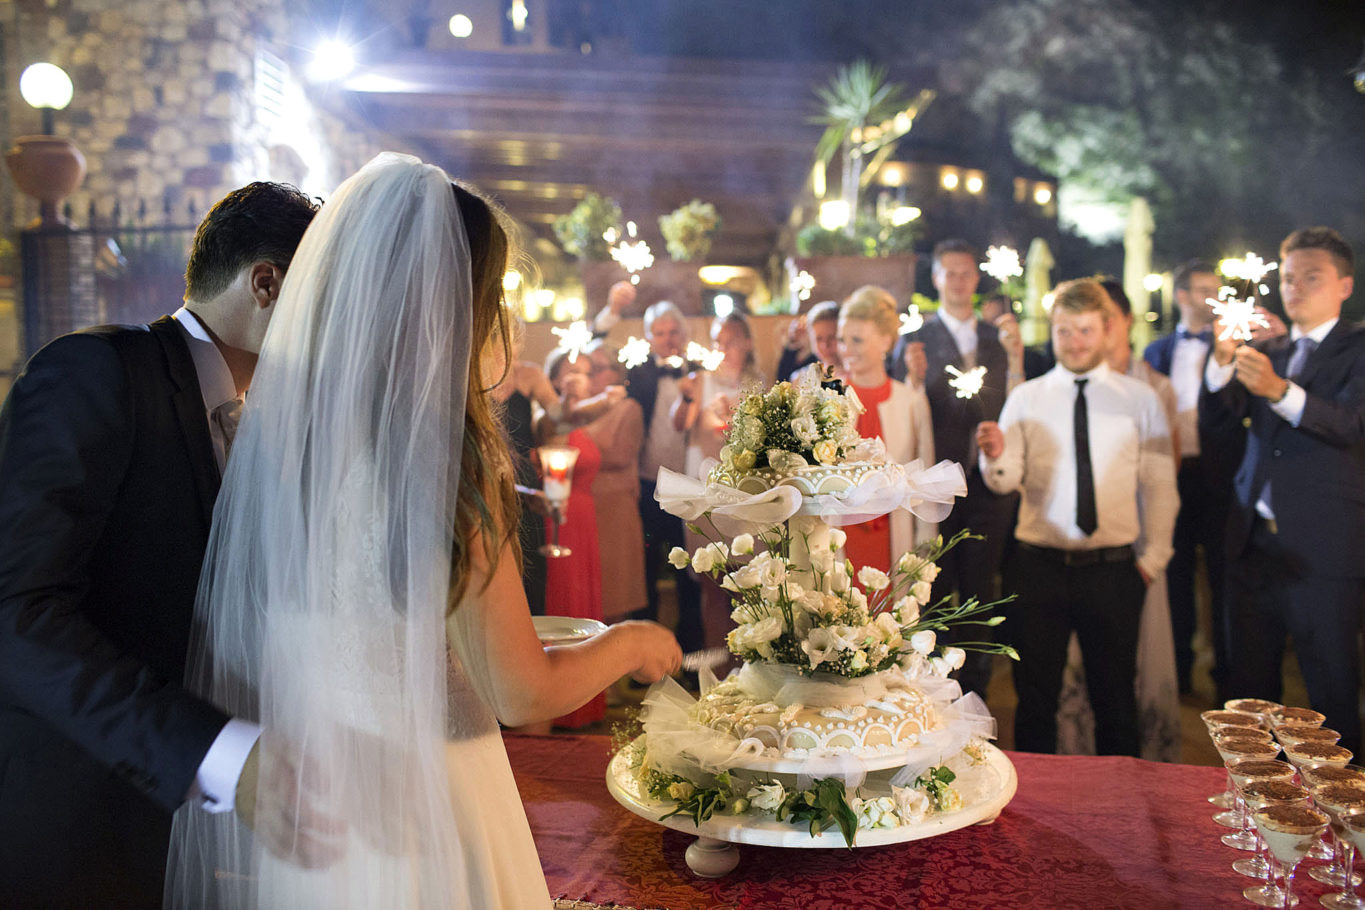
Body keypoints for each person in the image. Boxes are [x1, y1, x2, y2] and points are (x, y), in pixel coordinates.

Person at [163, 155, 681, 907]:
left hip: (316, 803)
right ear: (457, 308)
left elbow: (399, 634)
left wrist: (570, 641)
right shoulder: (445, 458)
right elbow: (519, 692)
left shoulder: (274, 436)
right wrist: (629, 642)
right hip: (430, 799)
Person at [0, 182, 318, 907]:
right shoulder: (99, 372)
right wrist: (218, 755)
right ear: (265, 284)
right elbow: (16, 612)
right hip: (73, 827)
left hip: (193, 828)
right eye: (329, 293)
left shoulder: (262, 420)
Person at [977, 278, 1178, 756]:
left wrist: (1152, 562)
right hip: (1037, 566)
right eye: (1064, 331)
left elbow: (1161, 486)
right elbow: (1005, 480)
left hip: (1113, 571)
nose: (1074, 342)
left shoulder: (1140, 399)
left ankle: (1122, 815)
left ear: (1107, 330)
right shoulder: (1027, 396)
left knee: (1115, 703)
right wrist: (994, 457)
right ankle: (1034, 813)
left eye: (1084, 330)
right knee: (1034, 701)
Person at [1200, 226, 1365, 753]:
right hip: (1251, 542)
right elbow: (1218, 430)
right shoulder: (1270, 346)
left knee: (1331, 689)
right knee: (1248, 697)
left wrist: (1278, 390)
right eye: (1288, 278)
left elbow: (1351, 426)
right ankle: (1257, 814)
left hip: (1323, 546)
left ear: (1344, 284)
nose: (1294, 288)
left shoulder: (1356, 349)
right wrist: (1223, 358)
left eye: (1310, 277)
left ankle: (1343, 823)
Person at [892, 240, 1026, 698]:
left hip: (988, 483)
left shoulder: (998, 337)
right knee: (933, 587)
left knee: (980, 591)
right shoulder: (917, 340)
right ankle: (933, 691)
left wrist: (1018, 355)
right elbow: (905, 408)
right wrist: (911, 377)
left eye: (966, 273)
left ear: (977, 278)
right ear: (936, 279)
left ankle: (976, 695)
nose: (958, 281)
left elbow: (1017, 397)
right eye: (949, 273)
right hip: (938, 484)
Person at [1056, 278, 1181, 762]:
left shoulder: (1152, 390)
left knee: (1129, 664)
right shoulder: (1067, 381)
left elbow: (1162, 475)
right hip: (1081, 549)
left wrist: (1153, 558)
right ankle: (1076, 749)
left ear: (1120, 321)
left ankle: (1138, 757)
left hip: (1139, 536)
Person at [1142, 260, 1232, 696]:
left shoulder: (1233, 348)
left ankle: (1227, 679)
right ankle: (1177, 672)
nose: (1213, 299)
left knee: (1223, 577)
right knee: (1174, 576)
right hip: (1171, 476)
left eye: (1217, 290)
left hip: (1219, 480)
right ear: (1181, 296)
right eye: (1203, 290)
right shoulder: (1156, 353)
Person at [676, 313, 764, 648]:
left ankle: (745, 665)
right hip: (706, 495)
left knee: (748, 587)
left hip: (745, 496)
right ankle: (716, 664)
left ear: (747, 343)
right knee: (712, 583)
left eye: (730, 341)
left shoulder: (757, 384)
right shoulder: (700, 380)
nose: (722, 348)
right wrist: (686, 397)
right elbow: (680, 424)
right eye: (717, 341)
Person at [837, 286, 937, 572]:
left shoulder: (911, 400)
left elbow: (925, 475)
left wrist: (924, 544)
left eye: (857, 340)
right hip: (842, 535)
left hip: (895, 533)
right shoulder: (829, 401)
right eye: (842, 340)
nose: (846, 349)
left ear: (884, 341)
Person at [624, 300, 703, 653]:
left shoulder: (700, 371)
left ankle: (690, 650)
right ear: (648, 337)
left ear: (684, 335)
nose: (668, 339)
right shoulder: (638, 372)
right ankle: (645, 655)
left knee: (690, 568)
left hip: (688, 484)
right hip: (646, 481)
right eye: (660, 333)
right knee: (646, 569)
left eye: (673, 332)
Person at [537, 349, 607, 729]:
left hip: (585, 519)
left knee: (584, 604)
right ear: (553, 379)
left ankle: (586, 704)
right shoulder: (549, 420)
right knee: (562, 604)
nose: (577, 378)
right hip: (558, 516)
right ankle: (558, 704)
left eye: (583, 372)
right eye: (569, 372)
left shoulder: (585, 419)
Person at [491, 343, 561, 616]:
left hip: (524, 478)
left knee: (529, 559)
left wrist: (555, 450)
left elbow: (561, 421)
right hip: (485, 475)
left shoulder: (529, 375)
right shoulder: (471, 372)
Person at [581, 340, 647, 624]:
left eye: (598, 369)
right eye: (588, 371)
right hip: (584, 508)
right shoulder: (578, 409)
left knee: (615, 594)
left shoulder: (628, 407)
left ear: (617, 373)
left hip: (615, 509)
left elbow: (620, 454)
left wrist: (573, 450)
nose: (591, 376)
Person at [788, 300, 841, 384]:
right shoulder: (801, 379)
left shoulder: (857, 377)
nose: (825, 345)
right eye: (818, 339)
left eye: (831, 337)